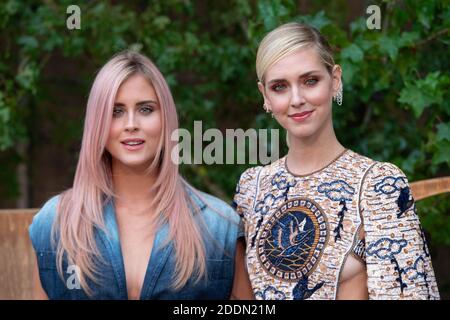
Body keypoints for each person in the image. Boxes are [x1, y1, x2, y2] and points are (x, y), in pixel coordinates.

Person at [233, 22, 440, 300]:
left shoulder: (379, 185)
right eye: (280, 86)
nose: (297, 99)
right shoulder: (251, 188)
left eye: (310, 81)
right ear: (265, 96)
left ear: (336, 80)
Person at [29, 51, 241, 300]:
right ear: (97, 122)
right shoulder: (54, 224)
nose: (131, 124)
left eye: (146, 109)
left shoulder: (219, 226)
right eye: (116, 111)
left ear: (166, 119)